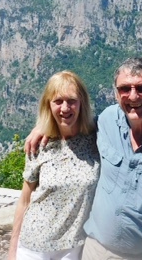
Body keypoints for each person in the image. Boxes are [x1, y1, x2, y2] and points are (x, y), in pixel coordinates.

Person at [26, 58, 142, 260]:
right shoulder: (108, 120)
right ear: (116, 93)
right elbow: (73, 125)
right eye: (125, 88)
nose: (133, 96)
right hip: (96, 251)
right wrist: (45, 127)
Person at [9, 70, 100, 260]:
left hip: (73, 247)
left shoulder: (98, 138)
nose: (65, 108)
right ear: (48, 105)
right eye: (58, 101)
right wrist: (12, 251)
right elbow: (25, 201)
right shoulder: (40, 144)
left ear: (82, 102)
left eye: (72, 100)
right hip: (34, 245)